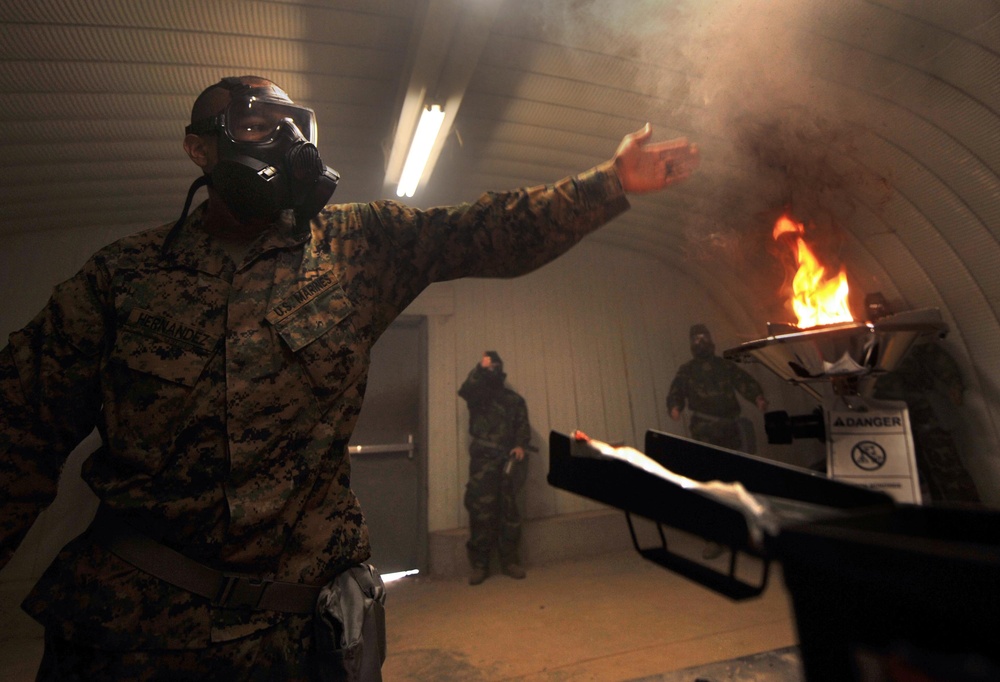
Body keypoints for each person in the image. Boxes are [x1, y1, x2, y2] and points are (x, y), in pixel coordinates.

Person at [0, 74, 699, 680]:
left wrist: (608, 184)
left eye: (293, 128)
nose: (282, 144)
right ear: (199, 149)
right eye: (254, 126)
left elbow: (481, 231)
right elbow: (16, 434)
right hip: (133, 637)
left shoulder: (353, 245)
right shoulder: (123, 276)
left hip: (303, 639)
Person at [867, 296, 980, 503]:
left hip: (924, 414)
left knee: (947, 467)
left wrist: (954, 384)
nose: (879, 314)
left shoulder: (908, 337)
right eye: (874, 311)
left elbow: (936, 358)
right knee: (910, 475)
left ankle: (967, 511)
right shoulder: (869, 345)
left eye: (881, 310)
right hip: (890, 419)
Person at [458, 351, 531, 586]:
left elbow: (522, 425)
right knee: (481, 512)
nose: (492, 371)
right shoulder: (478, 397)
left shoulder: (513, 400)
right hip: (483, 462)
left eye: (494, 367)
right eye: (488, 368)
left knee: (508, 511)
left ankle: (510, 561)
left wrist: (520, 445)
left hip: (507, 460)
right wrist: (480, 368)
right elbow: (466, 389)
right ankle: (480, 565)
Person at [667, 324, 767, 452]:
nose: (701, 342)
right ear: (692, 343)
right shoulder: (687, 370)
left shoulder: (724, 365)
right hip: (704, 430)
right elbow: (677, 390)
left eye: (704, 338)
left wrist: (757, 397)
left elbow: (743, 380)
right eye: (696, 339)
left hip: (730, 428)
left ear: (710, 339)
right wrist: (675, 407)